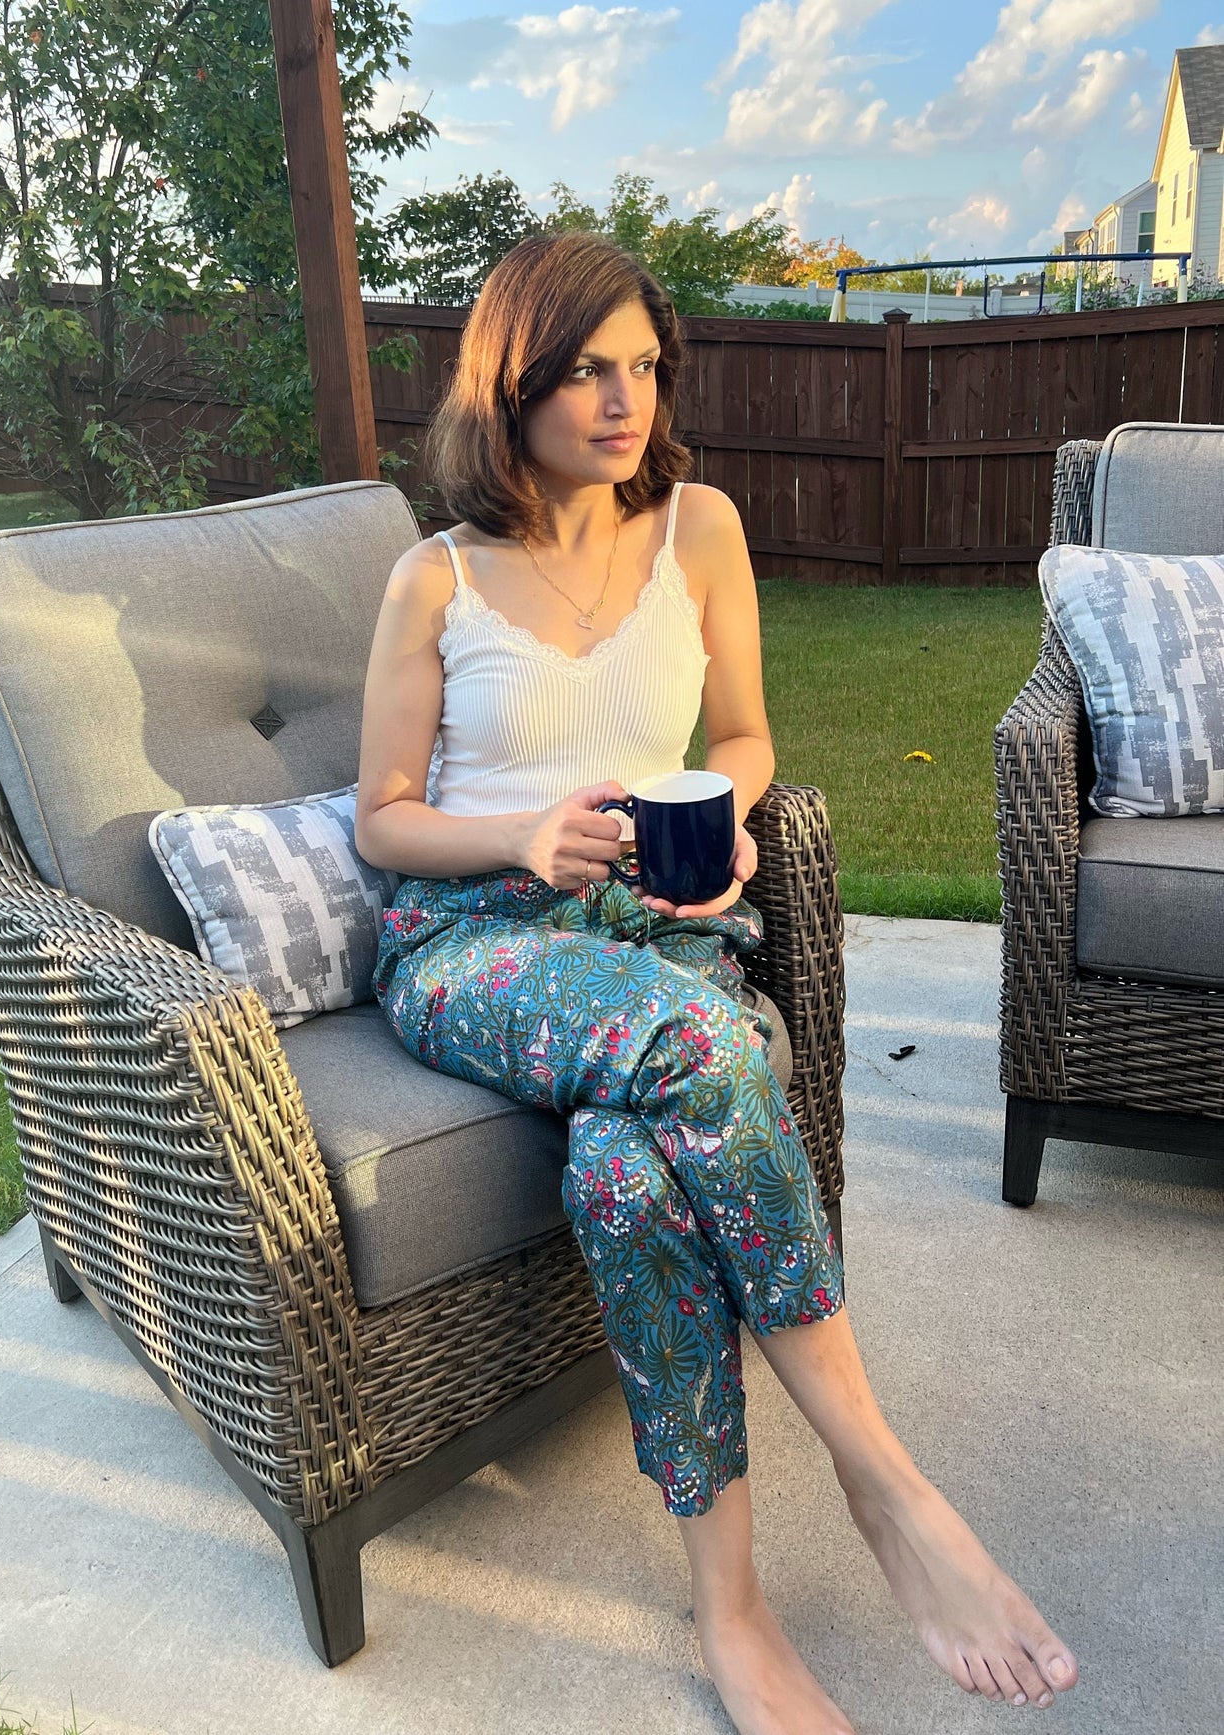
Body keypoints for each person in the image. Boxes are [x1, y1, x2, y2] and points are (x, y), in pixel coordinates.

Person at [353, 230, 1078, 1735]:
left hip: (658, 936)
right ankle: (883, 1484)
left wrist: (730, 822)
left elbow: (741, 735)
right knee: (695, 1040)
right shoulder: (432, 580)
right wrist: (520, 834)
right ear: (511, 381)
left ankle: (733, 1616)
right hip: (472, 943)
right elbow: (379, 819)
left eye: (641, 367)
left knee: (624, 1185)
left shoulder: (701, 527)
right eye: (584, 370)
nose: (623, 400)